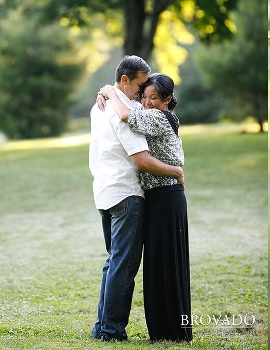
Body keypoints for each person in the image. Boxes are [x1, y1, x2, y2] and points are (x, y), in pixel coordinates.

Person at [89, 56, 184, 342]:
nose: (142, 95)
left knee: (113, 261)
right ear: (125, 80)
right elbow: (141, 159)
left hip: (105, 192)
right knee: (124, 264)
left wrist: (107, 89)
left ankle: (101, 327)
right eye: (141, 87)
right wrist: (177, 172)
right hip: (127, 194)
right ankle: (111, 331)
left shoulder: (99, 106)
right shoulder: (124, 110)